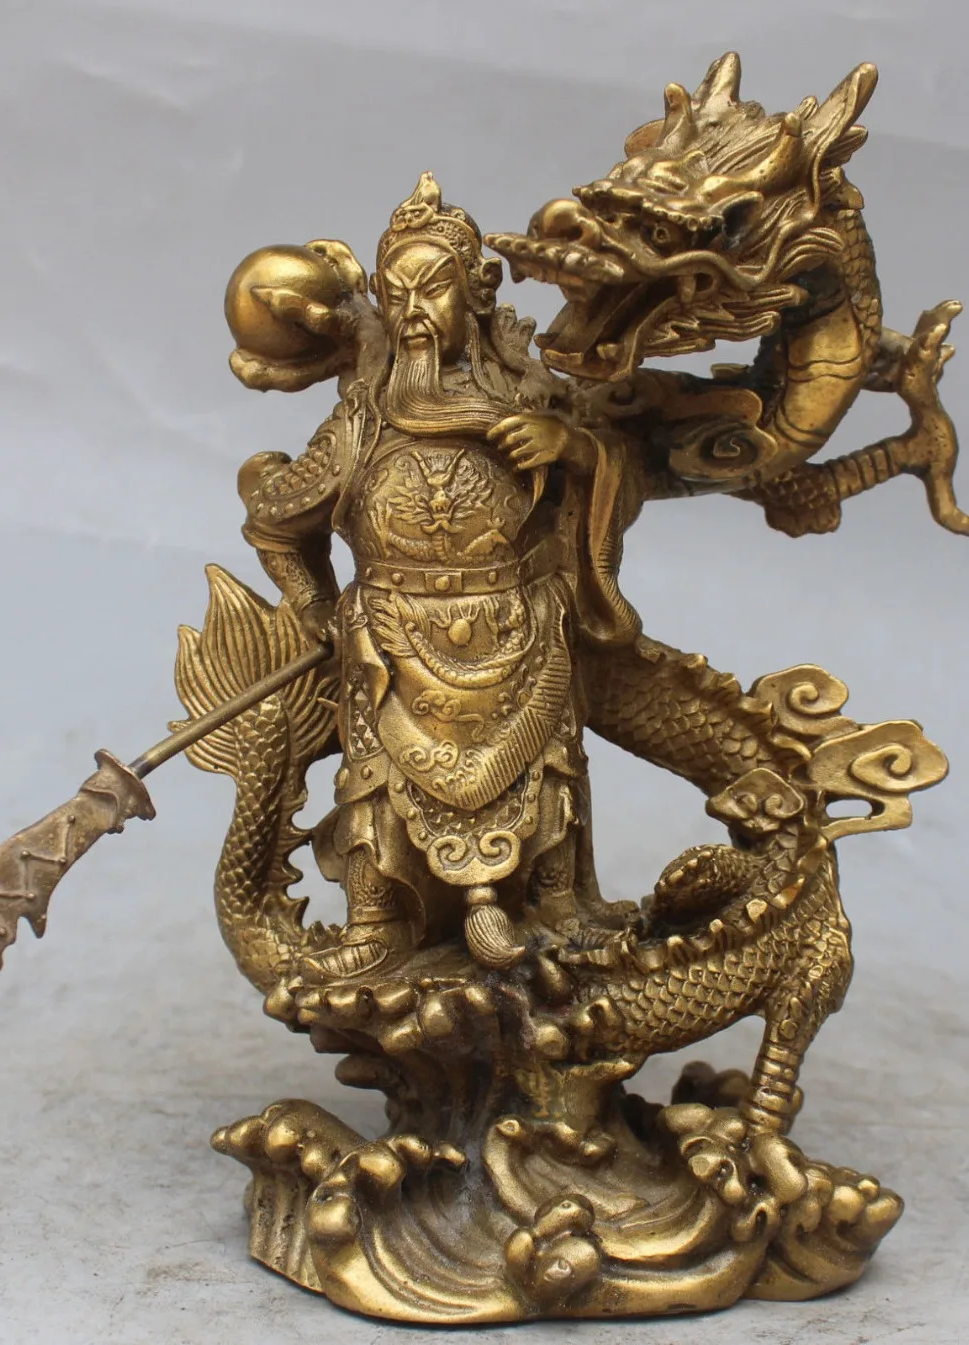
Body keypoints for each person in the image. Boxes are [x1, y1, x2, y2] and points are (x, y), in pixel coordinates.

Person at [237, 174, 641, 979]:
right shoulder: (362, 421)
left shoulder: (531, 398)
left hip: (519, 626)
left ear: (477, 293)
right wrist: (317, 606)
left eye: (434, 288)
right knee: (377, 782)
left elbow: (615, 473)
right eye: (396, 295)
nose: (415, 310)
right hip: (395, 641)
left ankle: (556, 904)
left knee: (548, 768)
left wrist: (572, 450)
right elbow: (276, 521)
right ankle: (376, 919)